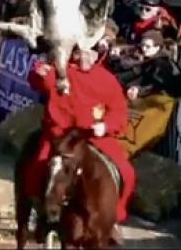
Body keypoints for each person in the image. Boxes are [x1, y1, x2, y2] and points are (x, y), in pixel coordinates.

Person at [22, 47, 136, 244]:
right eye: (79, 52)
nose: (84, 57)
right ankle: (37, 210)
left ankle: (113, 218)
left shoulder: (107, 79)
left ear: (98, 54)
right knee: (38, 165)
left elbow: (118, 112)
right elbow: (38, 81)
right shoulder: (62, 72)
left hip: (94, 138)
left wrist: (106, 125)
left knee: (127, 172)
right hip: (59, 136)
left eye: (89, 52)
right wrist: (40, 70)